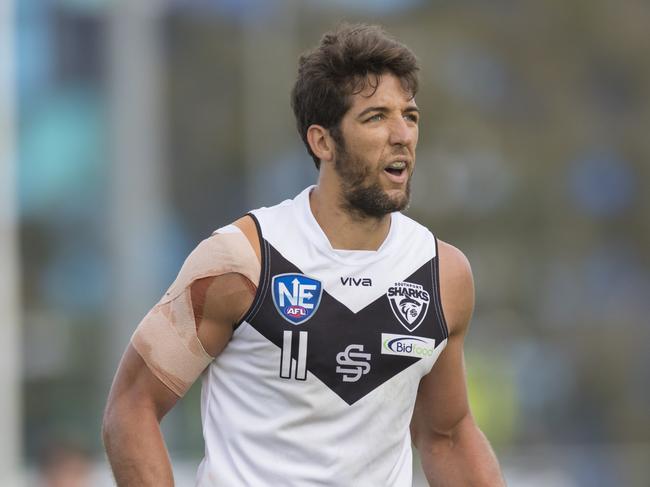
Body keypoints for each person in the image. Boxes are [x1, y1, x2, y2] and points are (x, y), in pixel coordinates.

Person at [102, 23, 505, 486]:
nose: (402, 135)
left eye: (409, 116)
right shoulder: (243, 260)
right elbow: (132, 407)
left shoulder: (442, 274)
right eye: (375, 117)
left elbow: (447, 436)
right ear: (323, 141)